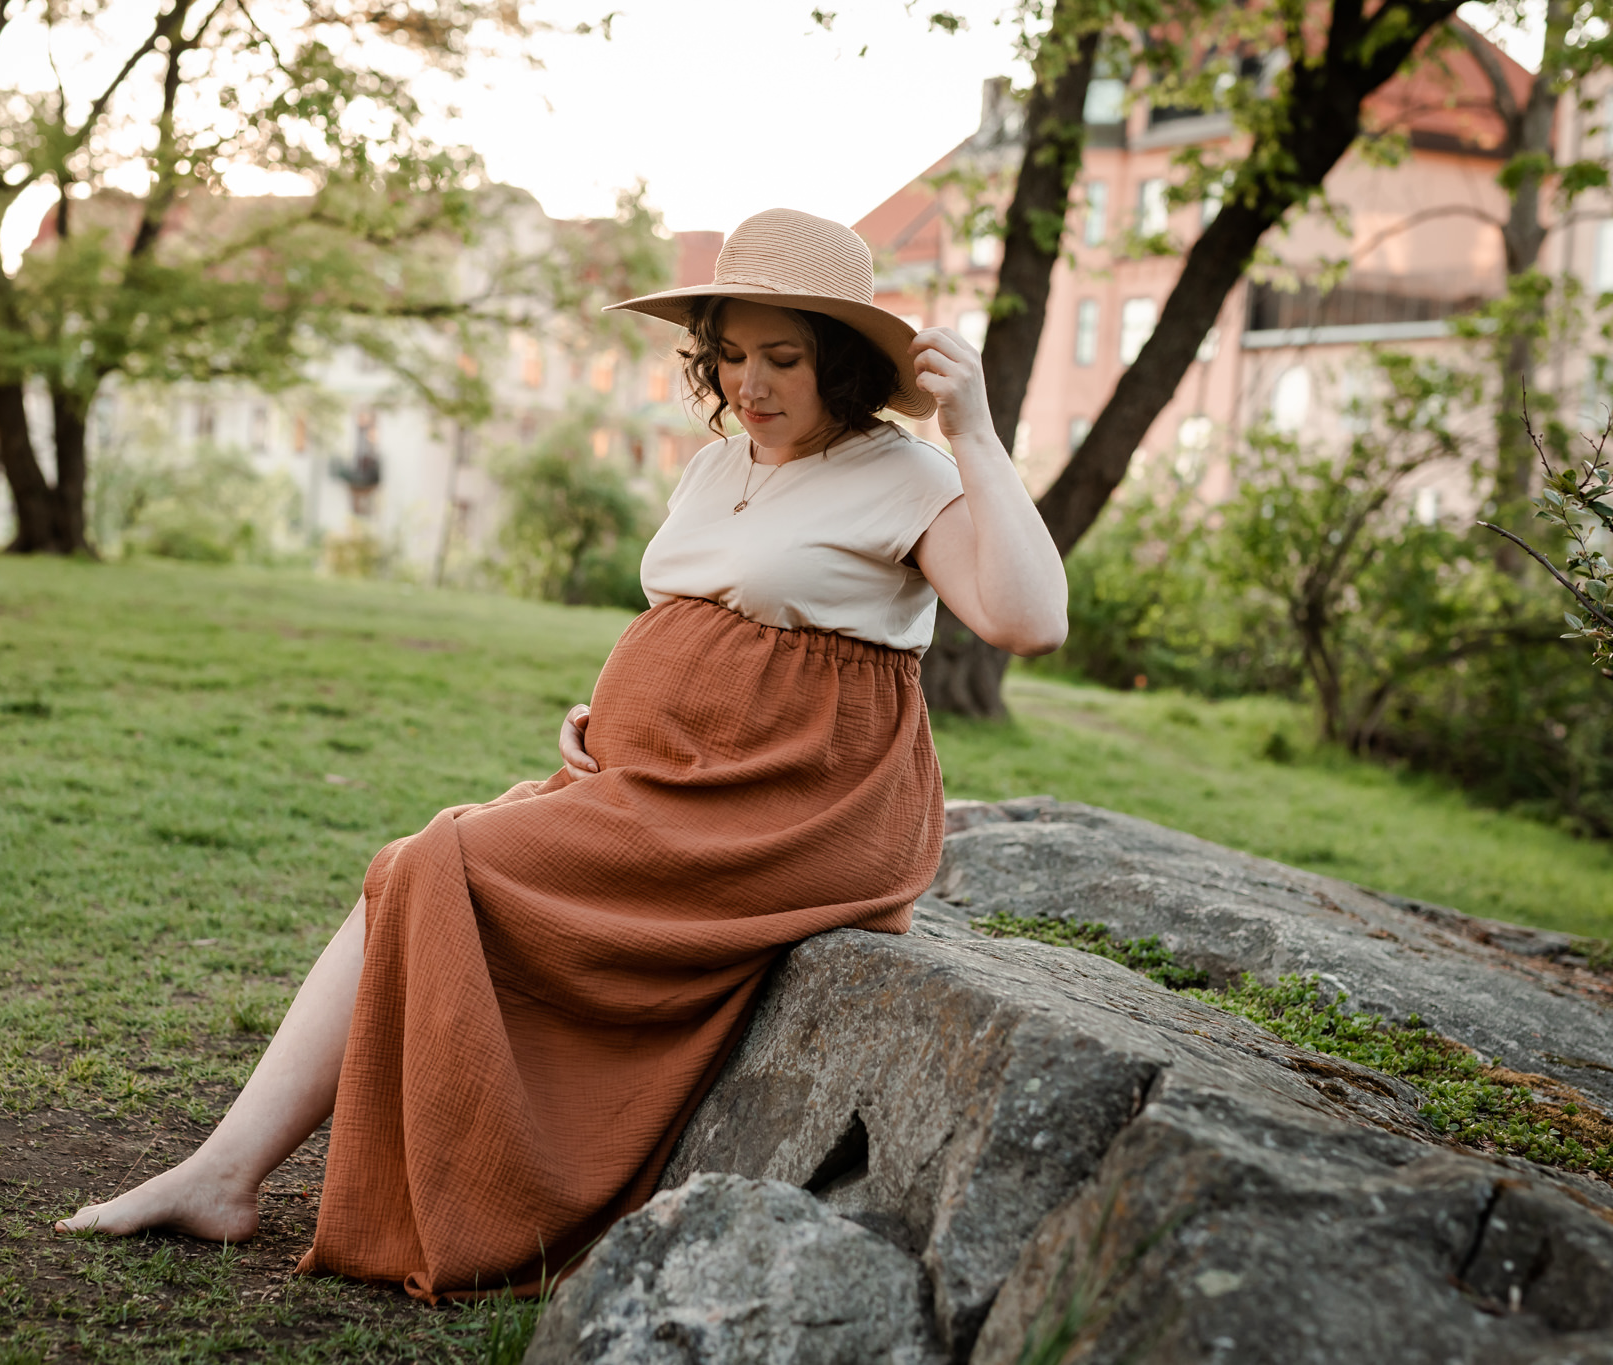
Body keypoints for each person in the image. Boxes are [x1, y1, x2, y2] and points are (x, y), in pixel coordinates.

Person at [54, 208, 1068, 1300]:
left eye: (782, 357)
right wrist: (607, 713)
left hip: (794, 803)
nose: (749, 383)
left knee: (443, 862)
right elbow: (701, 622)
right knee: (408, 865)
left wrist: (976, 436)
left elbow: (1026, 620)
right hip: (667, 778)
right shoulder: (715, 466)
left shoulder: (905, 473)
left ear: (846, 363)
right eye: (728, 355)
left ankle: (266, 1174)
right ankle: (222, 1170)